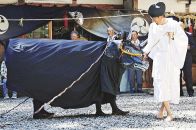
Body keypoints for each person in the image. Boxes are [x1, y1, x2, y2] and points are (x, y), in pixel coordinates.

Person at [143, 2, 188, 121]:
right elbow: (151, 42)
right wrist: (145, 51)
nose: (153, 20)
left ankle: (162, 111)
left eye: (154, 18)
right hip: (160, 58)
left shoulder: (173, 25)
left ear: (160, 16)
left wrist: (172, 37)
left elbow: (183, 40)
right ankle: (169, 113)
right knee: (161, 84)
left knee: (169, 85)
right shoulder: (153, 26)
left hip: (171, 58)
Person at [95, 27, 129, 116]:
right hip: (105, 66)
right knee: (103, 88)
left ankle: (115, 109)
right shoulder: (107, 41)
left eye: (110, 31)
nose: (109, 32)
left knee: (110, 87)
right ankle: (99, 110)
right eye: (108, 31)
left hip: (111, 65)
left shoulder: (117, 40)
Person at [179, 21, 195, 97]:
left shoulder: (188, 35)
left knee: (188, 74)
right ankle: (179, 92)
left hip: (187, 58)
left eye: (181, 26)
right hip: (177, 58)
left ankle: (190, 92)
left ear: (183, 27)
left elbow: (193, 45)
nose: (179, 28)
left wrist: (188, 47)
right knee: (177, 75)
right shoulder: (175, 35)